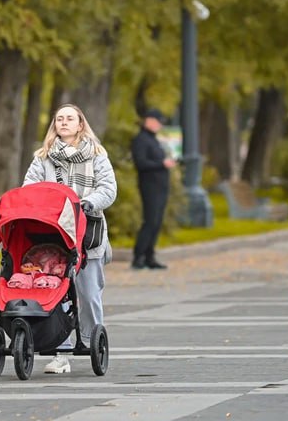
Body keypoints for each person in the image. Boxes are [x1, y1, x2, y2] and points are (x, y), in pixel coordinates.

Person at [23, 103, 117, 374]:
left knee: (88, 293)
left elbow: (108, 188)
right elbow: (30, 185)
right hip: (54, 232)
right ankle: (61, 352)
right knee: (58, 290)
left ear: (80, 124)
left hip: (87, 231)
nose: (64, 123)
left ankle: (90, 340)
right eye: (59, 119)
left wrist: (86, 202)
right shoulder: (44, 157)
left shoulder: (97, 155)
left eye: (69, 119)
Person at [131, 108, 176, 270]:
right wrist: (162, 164)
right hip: (149, 186)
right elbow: (141, 163)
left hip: (160, 186)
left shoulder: (154, 140)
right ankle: (139, 256)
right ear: (148, 120)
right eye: (157, 121)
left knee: (156, 222)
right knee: (150, 221)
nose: (159, 125)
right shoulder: (141, 140)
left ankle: (150, 256)